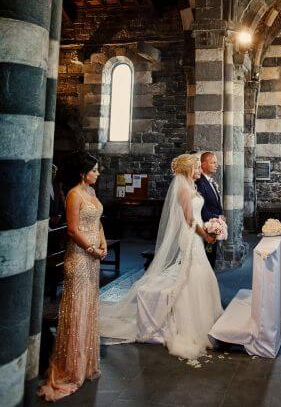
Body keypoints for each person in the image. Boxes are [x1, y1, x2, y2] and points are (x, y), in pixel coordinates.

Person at [100, 152, 223, 359]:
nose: (199, 170)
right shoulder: (183, 189)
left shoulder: (192, 186)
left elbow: (197, 216)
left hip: (197, 233)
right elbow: (189, 219)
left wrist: (211, 227)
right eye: (196, 167)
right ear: (188, 169)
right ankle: (189, 318)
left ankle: (202, 314)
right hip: (190, 235)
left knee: (198, 271)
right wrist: (205, 234)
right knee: (192, 271)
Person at [38, 153, 106, 402]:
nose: (97, 174)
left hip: (93, 256)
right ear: (82, 173)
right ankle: (71, 367)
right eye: (94, 170)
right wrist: (92, 249)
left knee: (88, 306)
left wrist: (103, 243)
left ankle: (85, 362)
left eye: (97, 170)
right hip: (79, 257)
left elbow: (98, 222)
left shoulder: (91, 192)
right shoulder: (74, 194)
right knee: (76, 308)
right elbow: (73, 230)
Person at [196, 151, 225, 269]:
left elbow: (215, 203)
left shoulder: (210, 181)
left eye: (216, 163)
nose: (216, 165)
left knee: (211, 256)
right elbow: (201, 208)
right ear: (203, 164)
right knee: (207, 258)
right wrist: (217, 217)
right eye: (213, 163)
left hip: (214, 225)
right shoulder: (200, 182)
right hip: (205, 226)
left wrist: (220, 218)